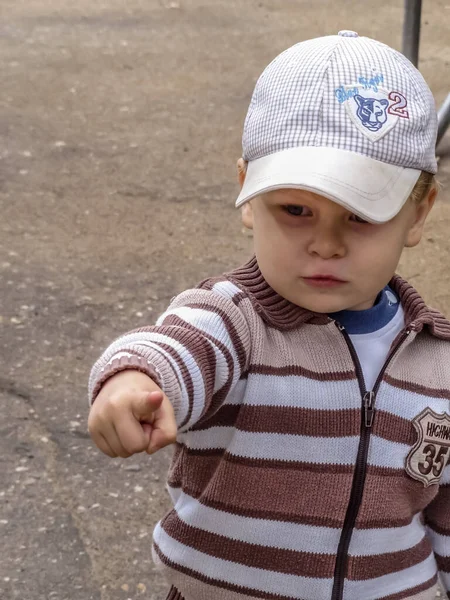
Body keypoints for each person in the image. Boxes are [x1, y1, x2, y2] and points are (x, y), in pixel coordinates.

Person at [87, 30, 450, 600]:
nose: (326, 244)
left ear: (419, 213)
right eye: (296, 209)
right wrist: (135, 382)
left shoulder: (440, 362)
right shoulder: (234, 323)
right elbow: (176, 350)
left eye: (361, 215)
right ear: (248, 197)